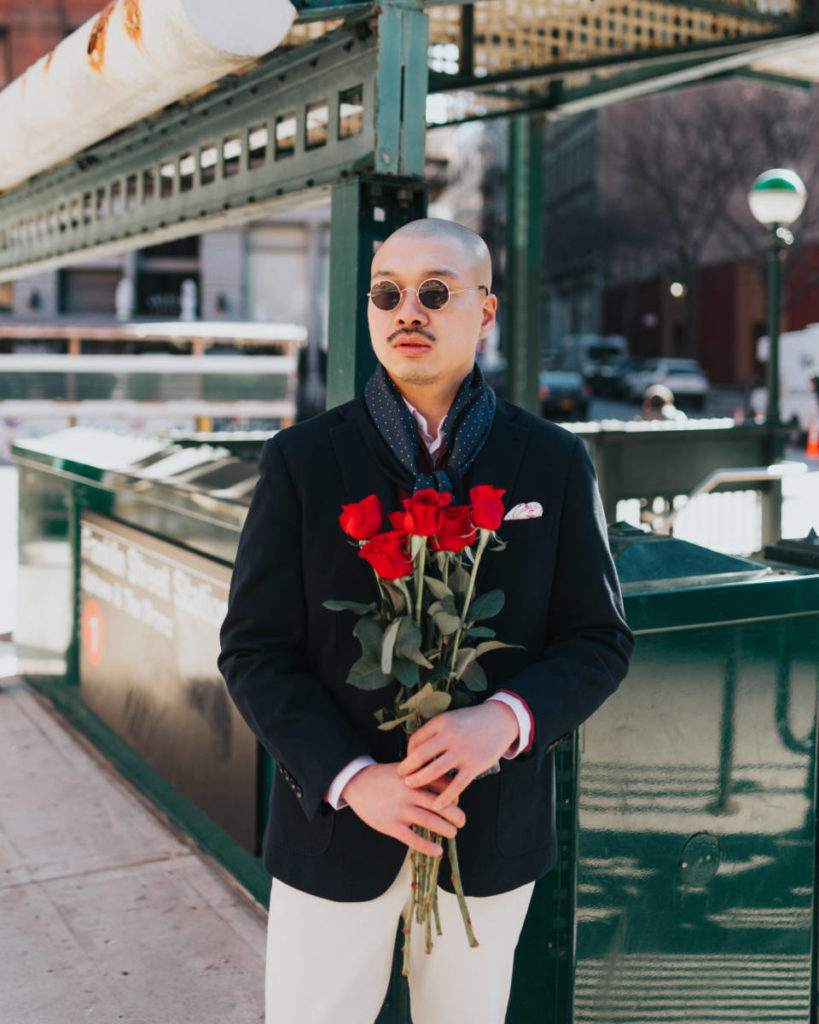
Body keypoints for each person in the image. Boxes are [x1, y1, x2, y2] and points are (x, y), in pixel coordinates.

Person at [218, 218, 633, 1023]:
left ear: (483, 312)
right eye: (387, 293)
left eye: (435, 292)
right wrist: (352, 781)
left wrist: (503, 722)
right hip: (334, 833)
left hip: (490, 834)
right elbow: (254, 653)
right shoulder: (299, 461)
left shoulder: (552, 460)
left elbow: (599, 638)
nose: (407, 310)